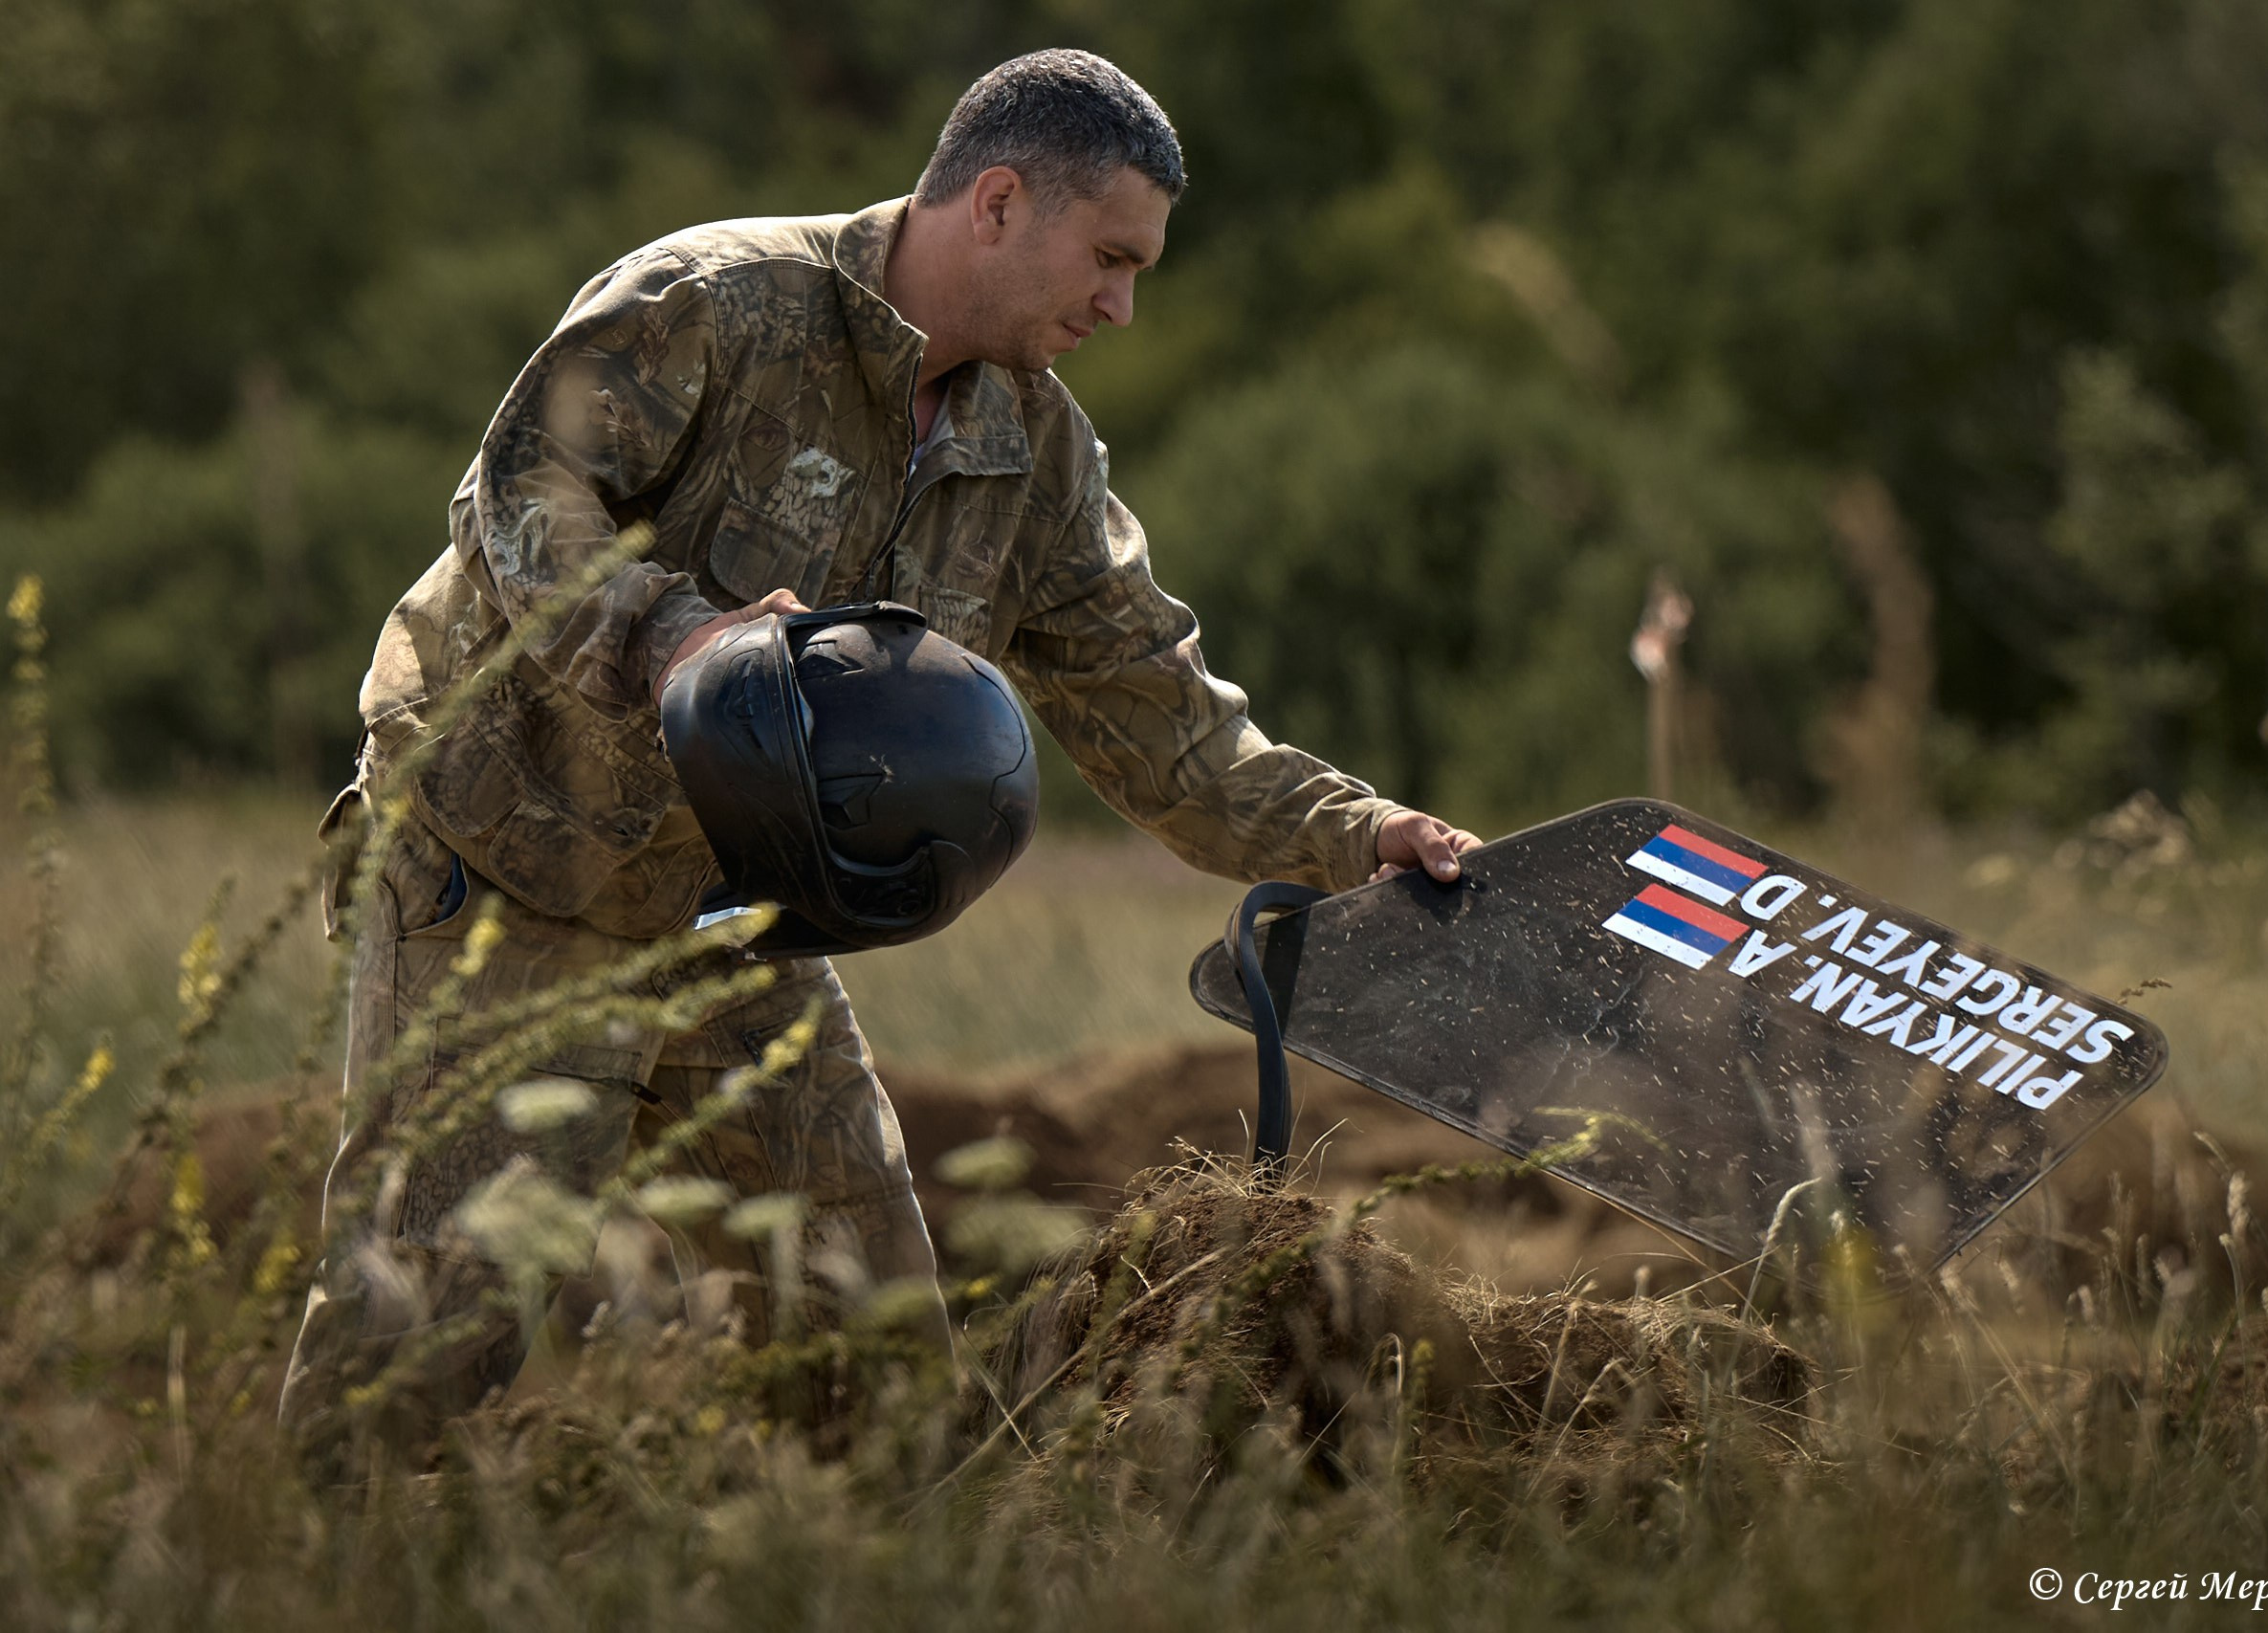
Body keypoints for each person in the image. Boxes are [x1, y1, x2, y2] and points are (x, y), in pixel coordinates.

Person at [278, 48, 1480, 1471]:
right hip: (500, 871)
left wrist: (1360, 833)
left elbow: (1166, 718)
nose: (1121, 304)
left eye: (1138, 270)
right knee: (426, 1332)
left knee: (866, 1339)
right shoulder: (717, 302)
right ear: (996, 201)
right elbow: (520, 495)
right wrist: (674, 638)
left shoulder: (1032, 455)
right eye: (1106, 258)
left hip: (731, 925)